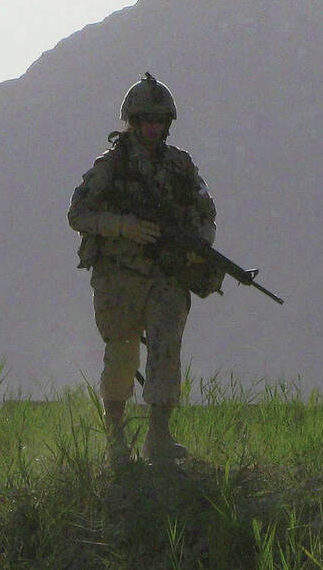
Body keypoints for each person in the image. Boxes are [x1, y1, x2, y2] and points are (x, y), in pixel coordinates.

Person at [67, 73, 216, 465]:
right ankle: (116, 439)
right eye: (145, 120)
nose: (152, 127)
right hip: (119, 275)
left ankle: (159, 437)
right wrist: (122, 227)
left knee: (166, 350)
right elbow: (79, 214)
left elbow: (205, 213)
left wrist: (199, 247)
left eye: (159, 121)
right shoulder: (110, 167)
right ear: (132, 121)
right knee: (122, 354)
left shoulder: (180, 166)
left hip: (166, 275)